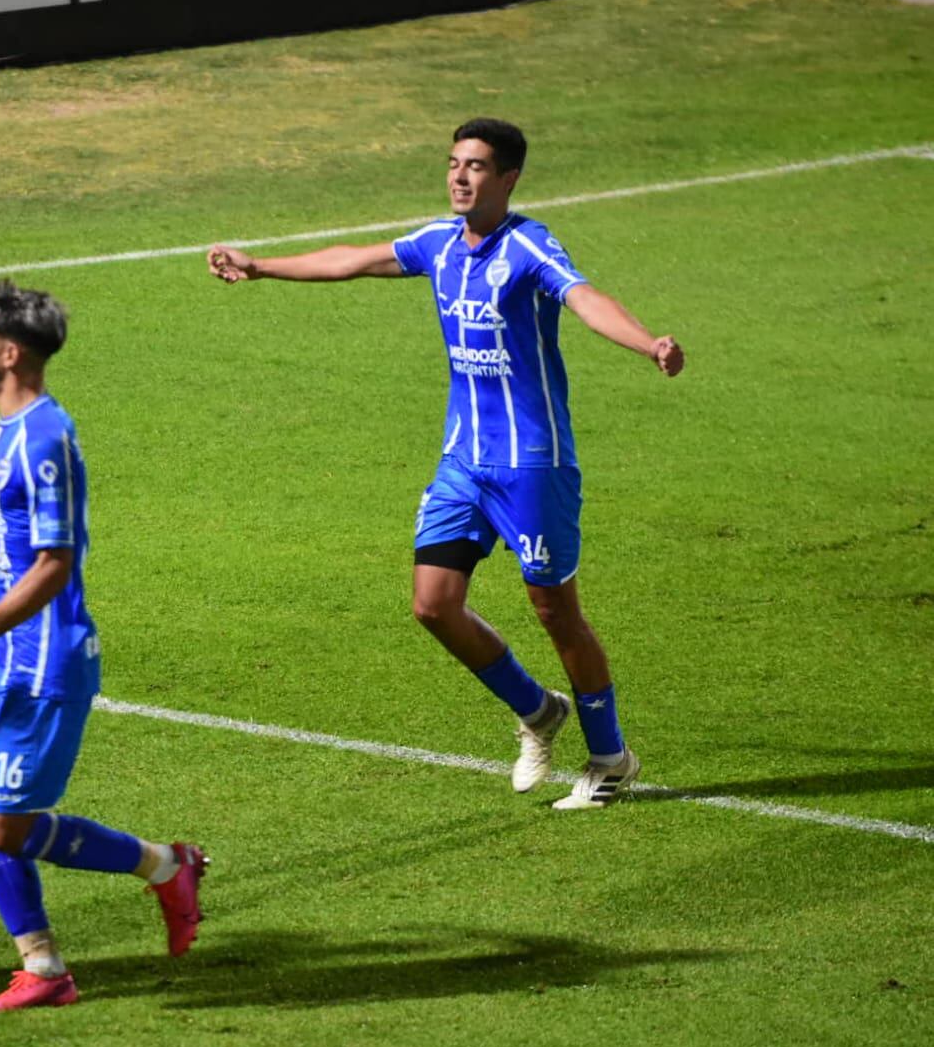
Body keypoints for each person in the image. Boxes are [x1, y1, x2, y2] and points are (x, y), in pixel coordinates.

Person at [207, 118, 684, 811]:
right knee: (432, 605)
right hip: (462, 460)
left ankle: (609, 757)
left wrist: (647, 345)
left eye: (477, 167)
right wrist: (260, 265)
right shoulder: (437, 244)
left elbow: (584, 298)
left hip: (531, 467)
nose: (460, 177)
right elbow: (351, 259)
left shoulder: (527, 246)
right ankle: (538, 712)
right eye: (454, 164)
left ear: (509, 178)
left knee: (555, 612)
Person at [0, 279, 205, 1013]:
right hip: (3, 663)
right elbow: (33, 484)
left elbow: (54, 563)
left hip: (42, 663)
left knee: (7, 827)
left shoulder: (43, 435)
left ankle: (166, 865)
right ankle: (41, 968)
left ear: (8, 353)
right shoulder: (17, 431)